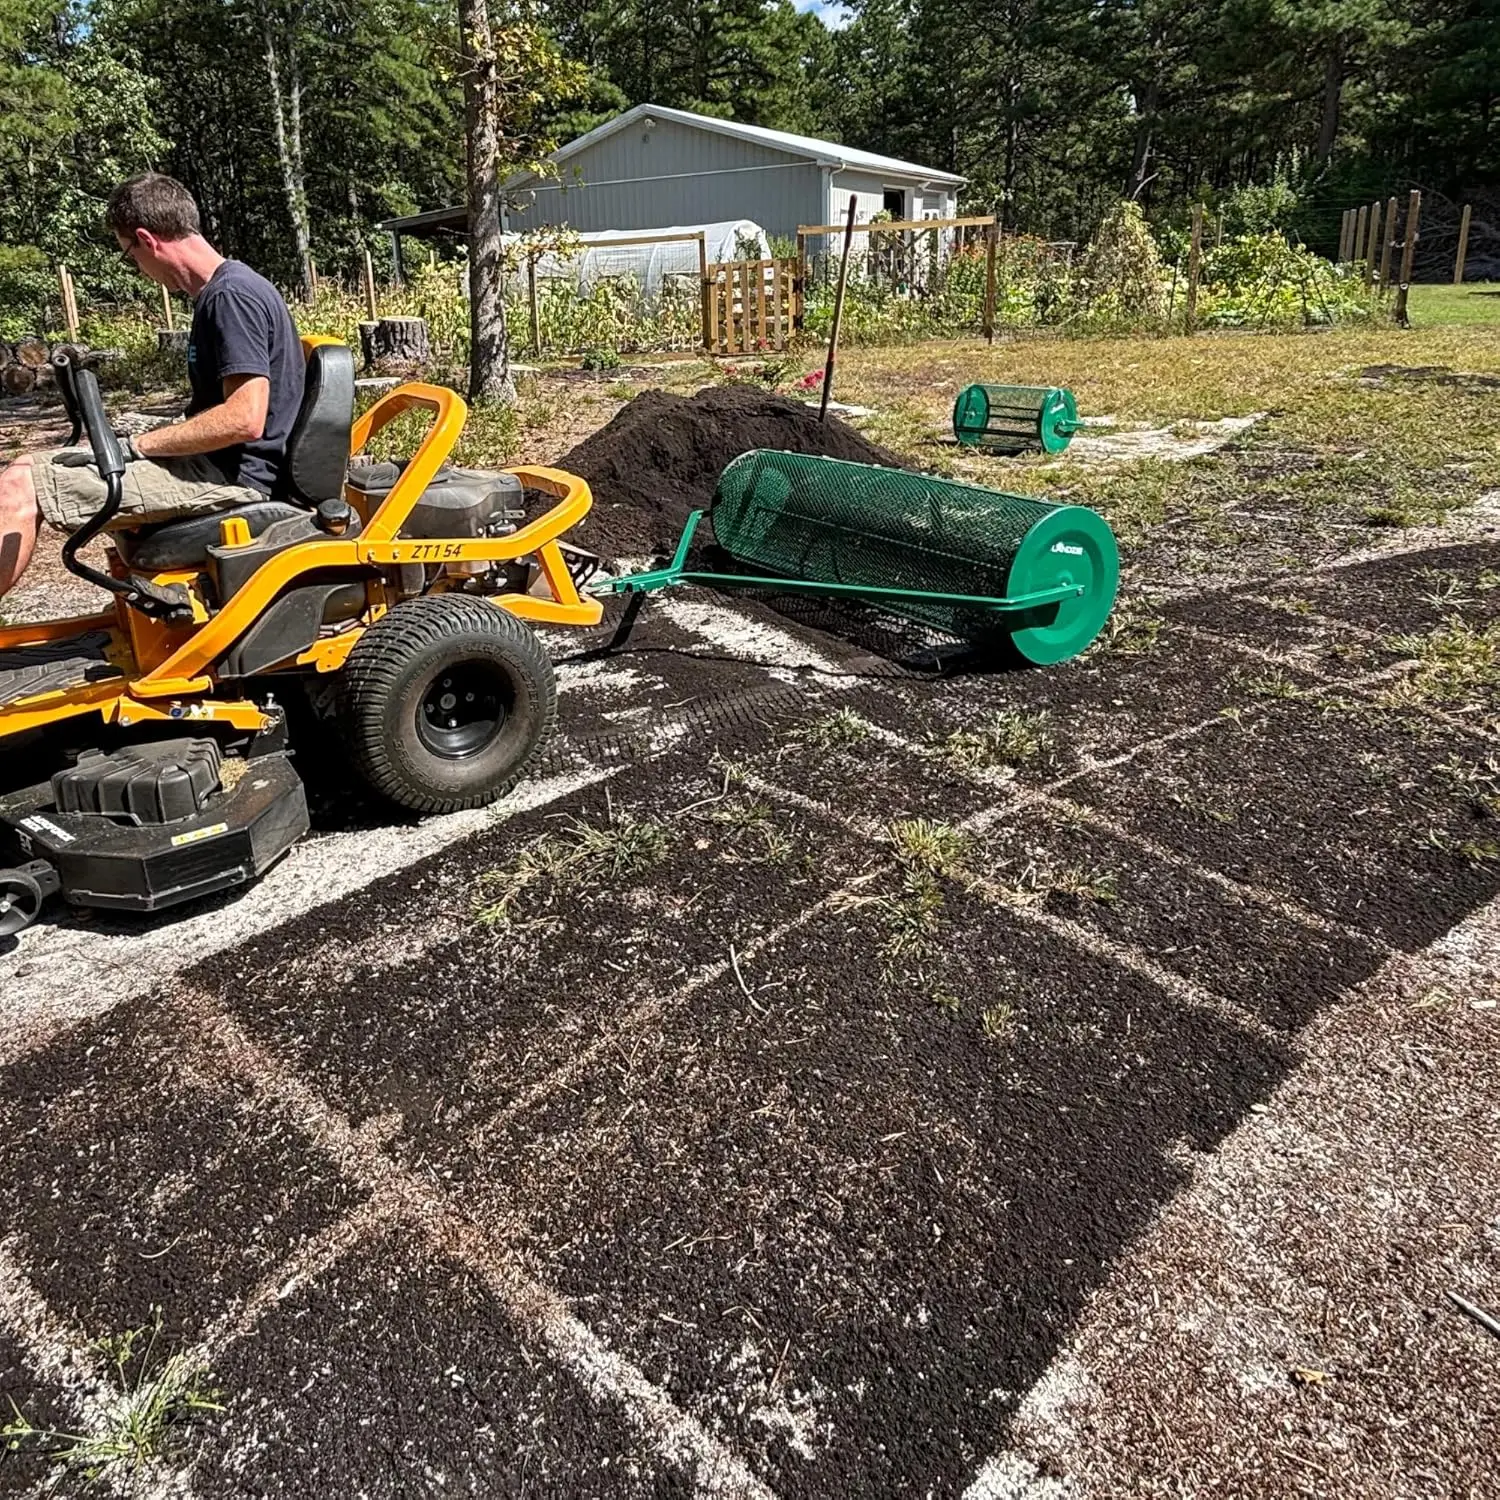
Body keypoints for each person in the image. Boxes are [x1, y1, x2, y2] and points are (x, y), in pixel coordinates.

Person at [0, 172, 305, 599]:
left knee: (19, 487)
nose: (138, 269)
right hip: (214, 466)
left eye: (130, 255)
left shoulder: (231, 298)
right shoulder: (223, 292)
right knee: (24, 466)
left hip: (229, 478)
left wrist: (140, 445)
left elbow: (245, 418)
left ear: (147, 239)